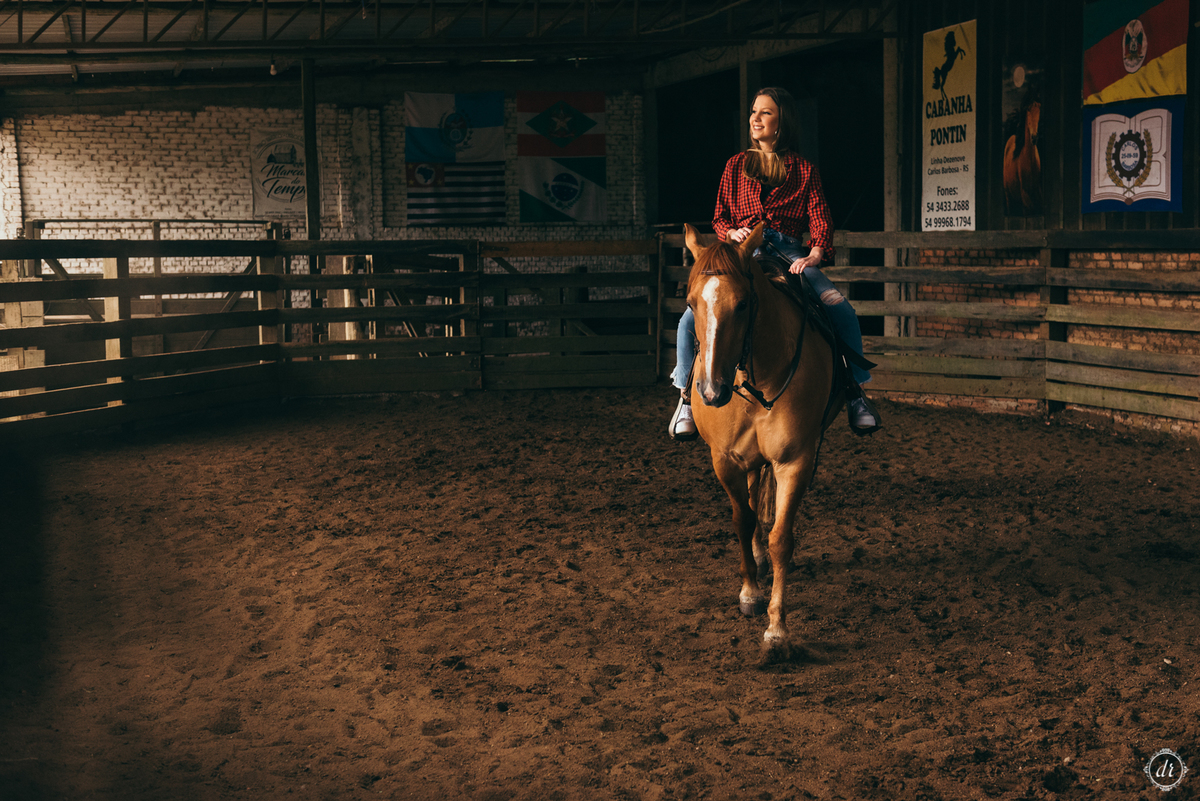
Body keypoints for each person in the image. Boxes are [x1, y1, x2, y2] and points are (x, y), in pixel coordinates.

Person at [669, 86, 882, 440]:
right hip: (742, 253)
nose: (755, 118)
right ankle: (685, 400)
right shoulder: (735, 166)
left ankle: (855, 394)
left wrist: (816, 252)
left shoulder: (804, 170)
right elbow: (720, 215)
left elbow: (820, 216)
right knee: (689, 320)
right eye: (754, 111)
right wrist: (731, 231)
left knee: (841, 310)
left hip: (789, 251)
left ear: (782, 122)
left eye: (765, 112)